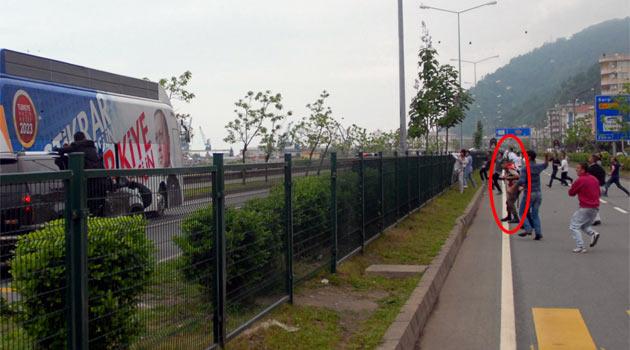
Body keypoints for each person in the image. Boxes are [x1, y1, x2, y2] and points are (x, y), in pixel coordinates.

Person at [567, 162, 601, 253]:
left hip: (585, 207)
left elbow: (571, 193)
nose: (576, 169)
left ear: (583, 170)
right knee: (584, 225)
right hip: (595, 208)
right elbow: (599, 193)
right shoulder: (594, 179)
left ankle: (580, 246)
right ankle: (593, 233)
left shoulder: (580, 180)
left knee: (574, 226)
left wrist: (572, 187)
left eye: (578, 168)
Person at [517, 151, 549, 240]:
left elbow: (522, 181)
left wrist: (516, 184)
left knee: (522, 212)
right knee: (535, 214)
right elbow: (545, 165)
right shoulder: (538, 167)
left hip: (529, 194)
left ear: (529, 157)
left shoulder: (525, 168)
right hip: (538, 193)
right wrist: (546, 158)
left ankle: (528, 229)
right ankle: (538, 233)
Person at [587, 154, 606, 226]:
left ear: (593, 160)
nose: (589, 158)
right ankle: (597, 218)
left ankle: (594, 219)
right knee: (594, 203)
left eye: (590, 157)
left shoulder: (591, 169)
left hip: (595, 188)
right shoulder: (600, 168)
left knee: (590, 203)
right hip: (602, 187)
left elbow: (588, 179)